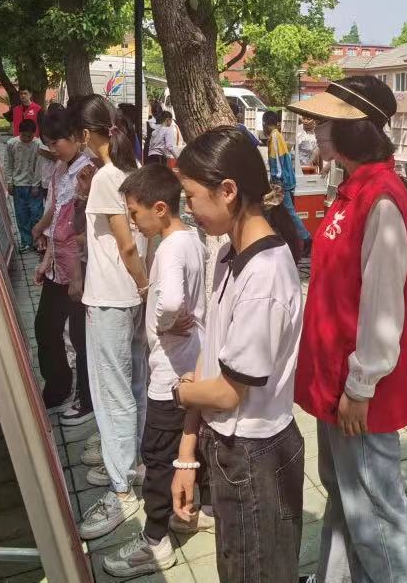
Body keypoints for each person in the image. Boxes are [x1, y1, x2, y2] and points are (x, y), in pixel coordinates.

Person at [288, 77, 407, 583]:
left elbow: (383, 304)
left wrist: (361, 385)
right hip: (336, 378)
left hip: (358, 389)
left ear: (354, 129)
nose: (316, 130)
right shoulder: (351, 188)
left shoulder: (380, 198)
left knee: (376, 512)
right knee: (346, 497)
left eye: (326, 122)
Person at [170, 126, 305, 583]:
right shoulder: (230, 254)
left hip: (253, 453)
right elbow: (211, 354)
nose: (189, 209)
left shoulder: (265, 276)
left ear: (228, 191)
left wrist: (178, 392)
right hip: (230, 448)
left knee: (256, 570)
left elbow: (227, 393)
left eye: (191, 197)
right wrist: (187, 454)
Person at [102, 165, 208, 578]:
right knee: (187, 445)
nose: (133, 222)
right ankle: (190, 509)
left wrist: (163, 321)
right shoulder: (191, 238)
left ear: (160, 208)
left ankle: (155, 540)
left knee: (158, 455)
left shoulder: (168, 249)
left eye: (135, 213)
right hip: (189, 364)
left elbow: (172, 303)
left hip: (170, 373)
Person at [70, 94, 150, 542]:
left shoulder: (105, 177)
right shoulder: (128, 170)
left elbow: (126, 244)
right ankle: (131, 464)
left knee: (112, 395)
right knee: (132, 386)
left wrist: (142, 284)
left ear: (86, 134)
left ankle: (121, 489)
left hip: (112, 299)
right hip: (128, 299)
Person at [31, 106, 94, 426]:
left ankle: (86, 398)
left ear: (76, 137)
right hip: (59, 263)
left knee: (81, 336)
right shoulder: (60, 168)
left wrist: (79, 275)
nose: (53, 149)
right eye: (48, 143)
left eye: (56, 143)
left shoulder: (88, 172)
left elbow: (84, 228)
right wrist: (40, 232)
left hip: (79, 267)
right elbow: (55, 210)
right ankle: (58, 387)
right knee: (46, 326)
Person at [265, 110, 314, 257]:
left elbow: (277, 162)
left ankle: (307, 238)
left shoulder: (274, 137)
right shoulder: (278, 136)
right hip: (283, 181)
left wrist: (277, 181)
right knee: (274, 211)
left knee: (287, 212)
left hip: (280, 182)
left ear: (265, 124)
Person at [5, 118, 46, 252]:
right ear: (19, 132)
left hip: (34, 185)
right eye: (24, 135)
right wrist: (9, 181)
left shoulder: (38, 145)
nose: (27, 138)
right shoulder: (11, 144)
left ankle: (38, 241)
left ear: (34, 133)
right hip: (18, 185)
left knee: (36, 213)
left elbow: (39, 166)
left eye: (30, 136)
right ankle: (26, 242)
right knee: (21, 215)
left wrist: (35, 184)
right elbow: (8, 164)